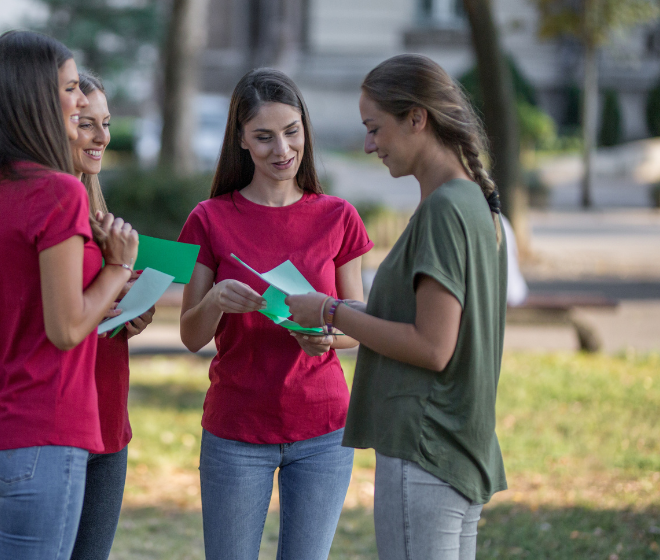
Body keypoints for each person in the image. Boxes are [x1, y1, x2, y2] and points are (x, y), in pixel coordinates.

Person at [285, 53, 508, 560]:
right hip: (455, 451)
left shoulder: (445, 210)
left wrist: (330, 312)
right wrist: (338, 309)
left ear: (416, 118)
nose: (369, 145)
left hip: (426, 449)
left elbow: (433, 347)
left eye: (374, 128)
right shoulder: (470, 200)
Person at [0, 31, 138, 560]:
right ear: (35, 99)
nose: (80, 102)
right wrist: (118, 268)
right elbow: (66, 328)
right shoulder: (59, 190)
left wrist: (102, 302)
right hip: (45, 433)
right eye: (71, 89)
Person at [177, 68, 372, 560]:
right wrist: (216, 299)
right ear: (241, 139)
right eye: (264, 137)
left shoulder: (339, 216)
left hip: (324, 428)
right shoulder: (208, 218)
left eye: (291, 132)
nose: (282, 150)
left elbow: (357, 325)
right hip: (237, 429)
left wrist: (328, 335)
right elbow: (190, 336)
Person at [68, 73, 155, 560]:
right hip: (61, 421)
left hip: (108, 415)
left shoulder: (98, 215)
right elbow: (55, 320)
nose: (102, 136)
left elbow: (91, 310)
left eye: (106, 122)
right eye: (87, 123)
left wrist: (130, 310)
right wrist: (116, 274)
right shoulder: (49, 213)